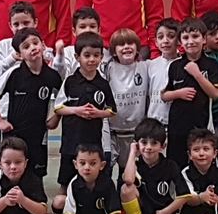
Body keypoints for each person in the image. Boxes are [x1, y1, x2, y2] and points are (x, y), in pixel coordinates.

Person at [0, 28, 62, 181]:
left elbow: (63, 97)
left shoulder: (52, 76)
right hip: (14, 134)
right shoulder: (14, 74)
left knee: (36, 175)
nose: (33, 47)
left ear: (43, 45)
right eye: (26, 46)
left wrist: (56, 117)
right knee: (12, 173)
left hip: (39, 134)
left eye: (35, 43)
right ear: (20, 55)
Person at [55, 32, 117, 203]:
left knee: (92, 182)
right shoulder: (70, 81)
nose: (91, 60)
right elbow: (58, 108)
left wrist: (98, 113)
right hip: (70, 144)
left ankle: (89, 211)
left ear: (101, 57)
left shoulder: (103, 84)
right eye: (87, 55)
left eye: (96, 55)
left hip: (93, 144)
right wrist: (77, 110)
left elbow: (112, 111)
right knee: (65, 183)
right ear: (77, 57)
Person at [162, 17, 218, 166]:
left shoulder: (212, 64)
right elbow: (164, 95)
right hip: (177, 127)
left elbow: (215, 94)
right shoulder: (175, 66)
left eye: (195, 36)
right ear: (180, 42)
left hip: (201, 126)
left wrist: (197, 74)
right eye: (186, 38)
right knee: (176, 165)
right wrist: (178, 93)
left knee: (201, 165)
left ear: (204, 39)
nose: (190, 41)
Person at [62, 141, 142, 214]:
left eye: (93, 163)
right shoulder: (73, 184)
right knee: (59, 202)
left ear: (102, 165)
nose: (87, 167)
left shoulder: (107, 184)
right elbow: (71, 213)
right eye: (82, 163)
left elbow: (113, 212)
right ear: (76, 164)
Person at [125, 120, 186, 214]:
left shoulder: (170, 166)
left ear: (162, 146)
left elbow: (184, 196)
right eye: (144, 142)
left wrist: (164, 213)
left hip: (165, 213)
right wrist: (132, 153)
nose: (148, 147)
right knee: (126, 189)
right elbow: (128, 180)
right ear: (137, 144)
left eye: (154, 143)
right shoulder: (135, 164)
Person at [104, 28, 152, 157]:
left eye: (130, 43)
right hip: (113, 131)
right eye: (121, 44)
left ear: (137, 48)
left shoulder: (146, 66)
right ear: (114, 52)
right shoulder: (108, 68)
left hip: (137, 131)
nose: (126, 47)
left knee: (130, 167)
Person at [145, 19, 180, 122]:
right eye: (161, 37)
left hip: (175, 121)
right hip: (153, 121)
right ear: (156, 42)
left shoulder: (184, 64)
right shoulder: (150, 65)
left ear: (179, 40)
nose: (165, 40)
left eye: (171, 36)